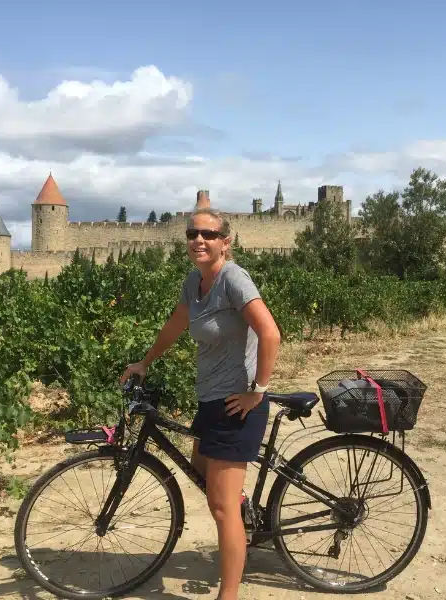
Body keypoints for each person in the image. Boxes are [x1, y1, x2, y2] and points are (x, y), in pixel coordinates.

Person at [119, 207, 281, 600]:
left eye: (209, 234)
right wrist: (145, 362)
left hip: (236, 406)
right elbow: (176, 323)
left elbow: (271, 334)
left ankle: (229, 595)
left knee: (222, 508)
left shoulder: (233, 279)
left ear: (226, 242)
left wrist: (257, 390)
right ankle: (241, 516)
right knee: (205, 477)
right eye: (193, 233)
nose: (199, 240)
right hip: (210, 400)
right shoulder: (195, 281)